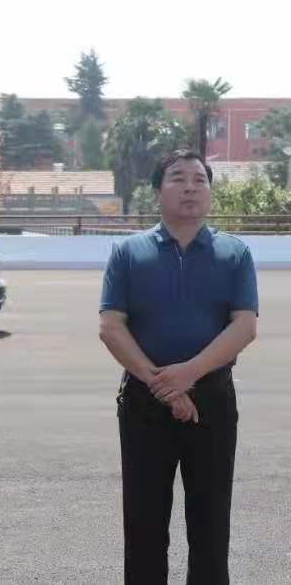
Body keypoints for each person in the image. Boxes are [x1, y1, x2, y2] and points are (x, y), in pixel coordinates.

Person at [99, 149, 258, 584]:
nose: (190, 187)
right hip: (144, 402)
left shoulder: (234, 254)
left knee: (211, 522)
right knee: (144, 522)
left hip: (212, 401)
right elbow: (111, 327)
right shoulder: (128, 253)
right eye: (177, 178)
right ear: (157, 191)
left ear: (209, 192)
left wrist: (189, 373)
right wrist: (164, 386)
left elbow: (244, 326)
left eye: (199, 180)